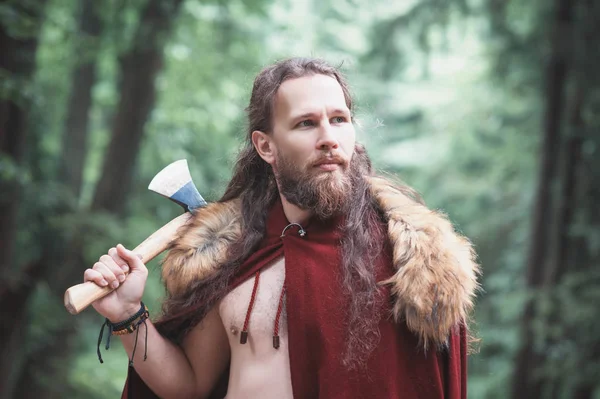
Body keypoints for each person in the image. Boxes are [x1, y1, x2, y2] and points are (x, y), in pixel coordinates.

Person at [85, 57, 480, 399]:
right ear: (265, 146)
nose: (329, 138)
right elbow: (188, 386)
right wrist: (126, 315)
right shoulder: (239, 253)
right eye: (306, 123)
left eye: (339, 120)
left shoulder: (406, 266)